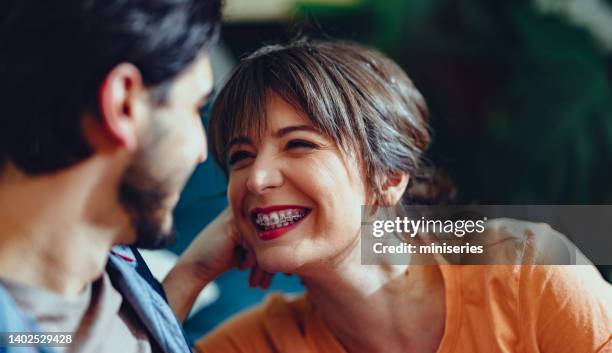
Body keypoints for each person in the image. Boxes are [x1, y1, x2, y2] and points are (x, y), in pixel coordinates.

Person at [196, 40, 612, 353]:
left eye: (299, 144)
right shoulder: (256, 344)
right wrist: (189, 275)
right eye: (241, 156)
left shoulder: (527, 274)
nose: (256, 179)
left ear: (390, 177)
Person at [0, 1, 255, 352]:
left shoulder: (117, 266)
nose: (201, 152)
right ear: (123, 105)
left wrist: (191, 272)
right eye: (196, 107)